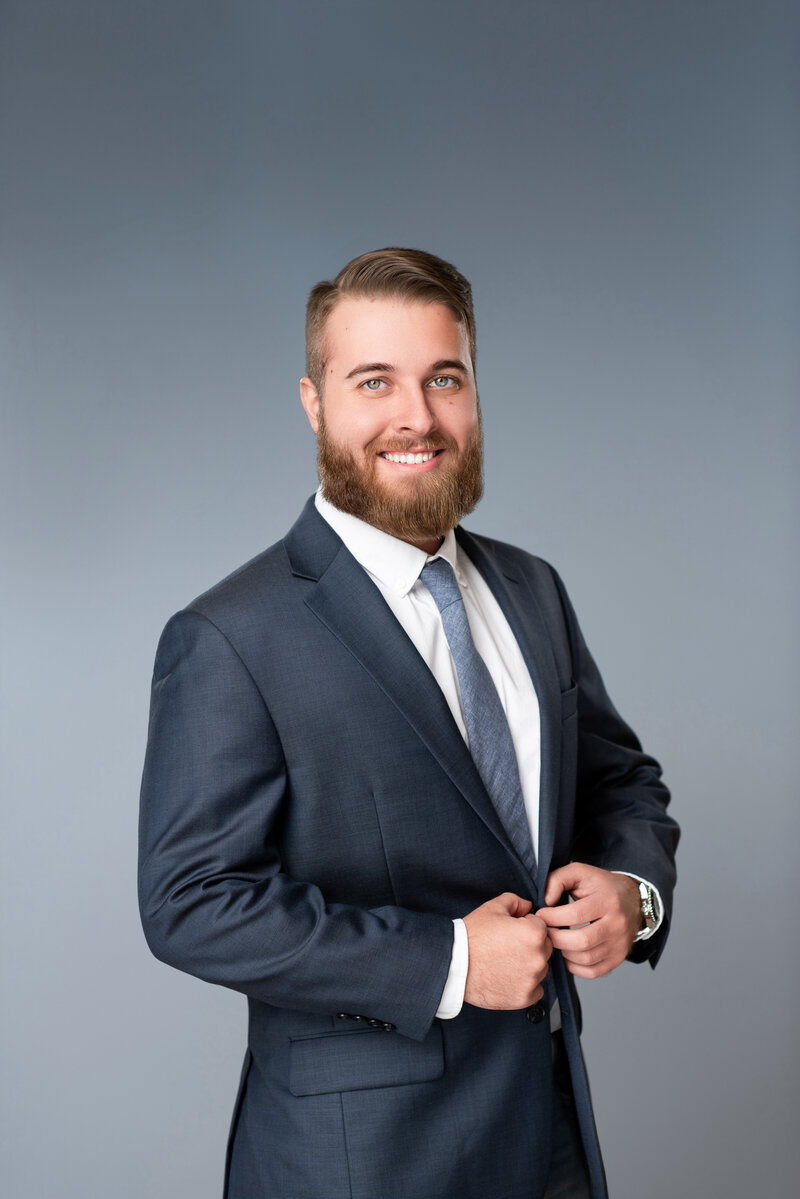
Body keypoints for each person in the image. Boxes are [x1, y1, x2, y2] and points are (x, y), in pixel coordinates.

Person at [139, 247, 679, 1199]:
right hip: (364, 1160)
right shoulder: (230, 635)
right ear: (314, 402)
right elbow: (193, 903)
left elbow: (618, 778)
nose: (416, 417)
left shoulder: (531, 588)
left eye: (444, 378)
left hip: (552, 1128)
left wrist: (632, 891)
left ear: (474, 393)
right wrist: (454, 960)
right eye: (374, 380)